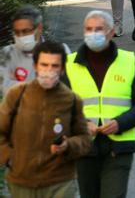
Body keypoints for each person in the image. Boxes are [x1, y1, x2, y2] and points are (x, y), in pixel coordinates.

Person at [67, 11, 135, 198]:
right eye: (89, 29)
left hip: (119, 147)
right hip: (83, 147)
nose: (94, 33)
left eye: (99, 29)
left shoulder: (128, 61)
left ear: (112, 32)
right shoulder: (69, 64)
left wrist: (120, 123)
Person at [0, 41, 91, 198]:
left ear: (62, 69)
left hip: (60, 183)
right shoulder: (16, 95)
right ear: (35, 66)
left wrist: (68, 145)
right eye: (44, 65)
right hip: (22, 183)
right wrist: (12, 158)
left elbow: (85, 140)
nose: (49, 71)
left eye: (55, 66)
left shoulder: (72, 100)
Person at [1, 7, 59, 93]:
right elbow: (4, 87)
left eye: (26, 31)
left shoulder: (58, 52)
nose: (21, 36)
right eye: (17, 32)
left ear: (39, 28)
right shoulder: (6, 53)